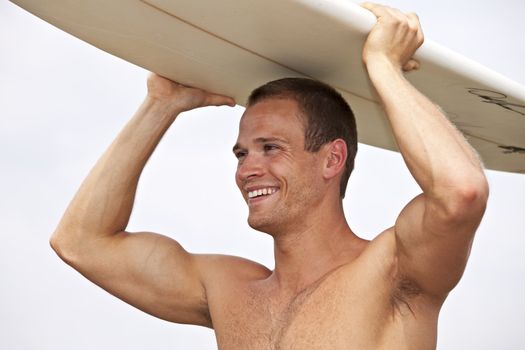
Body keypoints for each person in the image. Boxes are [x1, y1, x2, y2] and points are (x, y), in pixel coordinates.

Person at [50, 3, 488, 349]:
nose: (247, 169)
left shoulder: (394, 270)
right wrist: (161, 105)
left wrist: (383, 66)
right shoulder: (230, 292)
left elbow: (460, 192)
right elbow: (80, 242)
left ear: (332, 160)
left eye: (271, 148)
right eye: (241, 153)